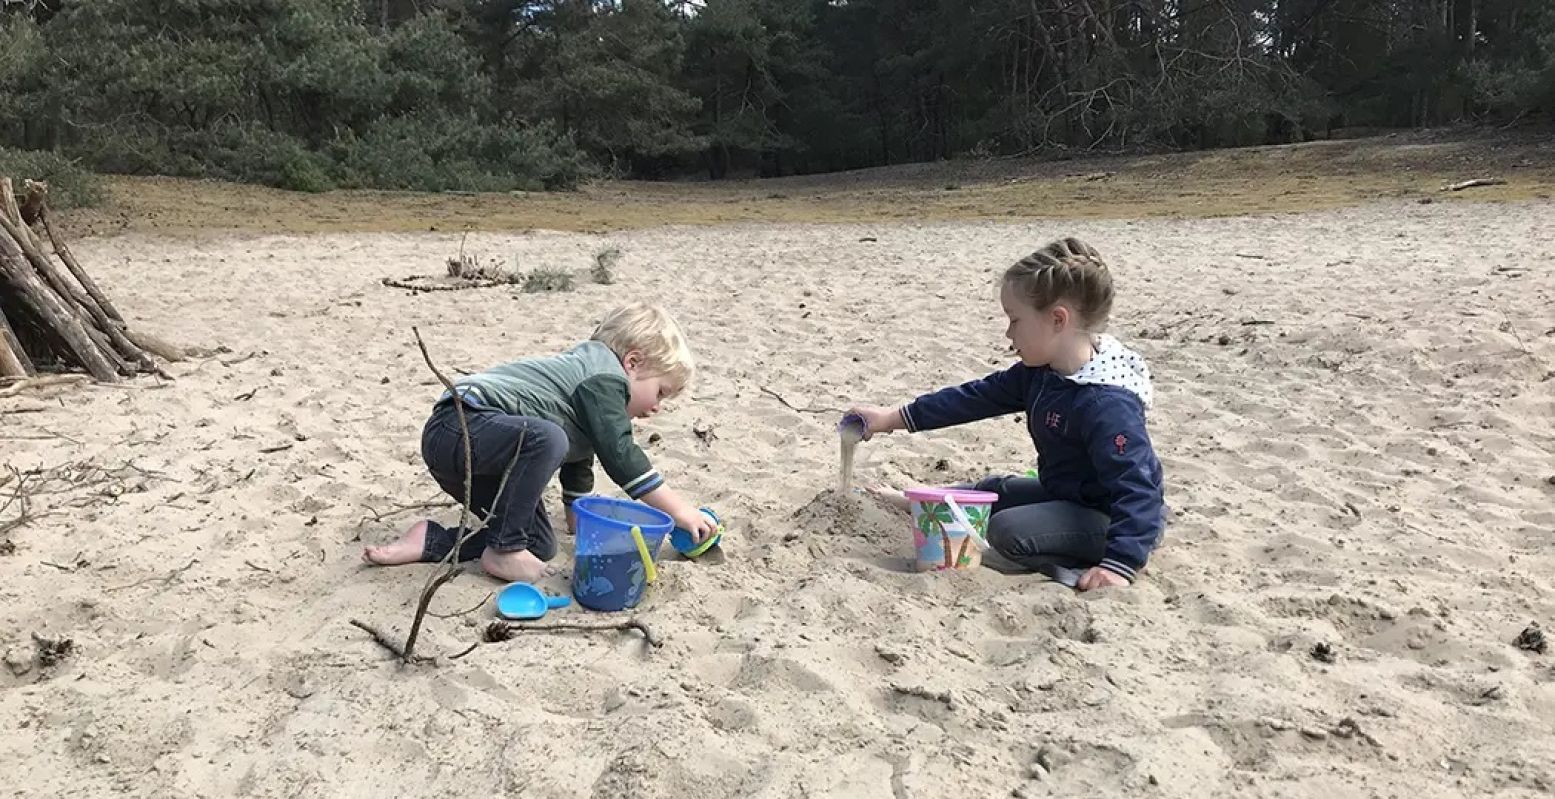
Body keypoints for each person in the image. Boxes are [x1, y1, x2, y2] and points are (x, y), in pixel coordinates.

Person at [849, 237, 1165, 591]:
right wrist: (892, 418)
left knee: (1007, 529)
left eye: (1015, 320)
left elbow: (1138, 489)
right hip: (1064, 493)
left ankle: (1077, 563)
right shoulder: (1043, 372)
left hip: (1112, 519)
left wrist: (1120, 564)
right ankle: (924, 503)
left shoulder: (1106, 405)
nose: (1008, 333)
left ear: (1057, 319)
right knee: (994, 491)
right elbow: (975, 398)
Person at [363, 302, 719, 583]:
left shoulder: (587, 404)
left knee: (539, 545)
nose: (656, 407)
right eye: (660, 392)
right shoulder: (604, 377)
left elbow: (578, 467)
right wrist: (679, 511)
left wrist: (578, 520)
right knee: (549, 439)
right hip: (459, 425)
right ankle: (504, 550)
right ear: (633, 363)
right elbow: (620, 454)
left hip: (478, 456)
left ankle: (432, 540)